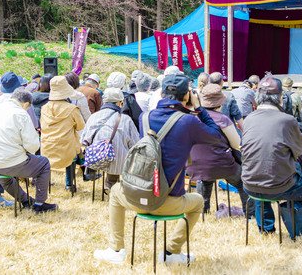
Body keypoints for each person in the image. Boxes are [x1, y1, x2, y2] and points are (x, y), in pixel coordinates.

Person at [94, 73, 227, 265]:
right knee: (198, 201)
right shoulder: (188, 122)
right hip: (168, 201)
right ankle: (171, 251)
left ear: (162, 94)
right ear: (187, 95)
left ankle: (116, 249)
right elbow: (217, 136)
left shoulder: (145, 117)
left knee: (115, 192)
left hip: (137, 196)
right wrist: (199, 108)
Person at [241, 75, 302, 244]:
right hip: (281, 185)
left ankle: (266, 229)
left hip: (249, 184)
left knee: (260, 174)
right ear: (280, 97)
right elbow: (298, 152)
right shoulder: (287, 120)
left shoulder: (248, 119)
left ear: (258, 96)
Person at [0, 86, 57, 213]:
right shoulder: (21, 114)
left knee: (5, 178)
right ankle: (39, 204)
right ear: (26, 104)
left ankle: (26, 200)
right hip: (12, 163)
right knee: (44, 163)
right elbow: (33, 147)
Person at [188, 83, 251, 216]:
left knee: (204, 180)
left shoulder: (192, 117)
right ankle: (250, 214)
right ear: (220, 104)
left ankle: (202, 211)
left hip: (197, 165)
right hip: (222, 164)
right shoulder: (223, 119)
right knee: (243, 182)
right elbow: (236, 144)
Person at [80, 87, 139, 191]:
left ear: (104, 101)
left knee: (111, 155)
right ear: (120, 103)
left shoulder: (93, 117)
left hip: (96, 160)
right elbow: (135, 144)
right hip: (119, 163)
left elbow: (83, 141)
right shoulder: (126, 119)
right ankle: (114, 186)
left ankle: (107, 183)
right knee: (118, 153)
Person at [40, 75, 86, 193]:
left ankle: (46, 183)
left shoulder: (44, 108)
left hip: (47, 148)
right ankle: (69, 184)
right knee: (73, 148)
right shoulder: (72, 109)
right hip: (67, 150)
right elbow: (80, 126)